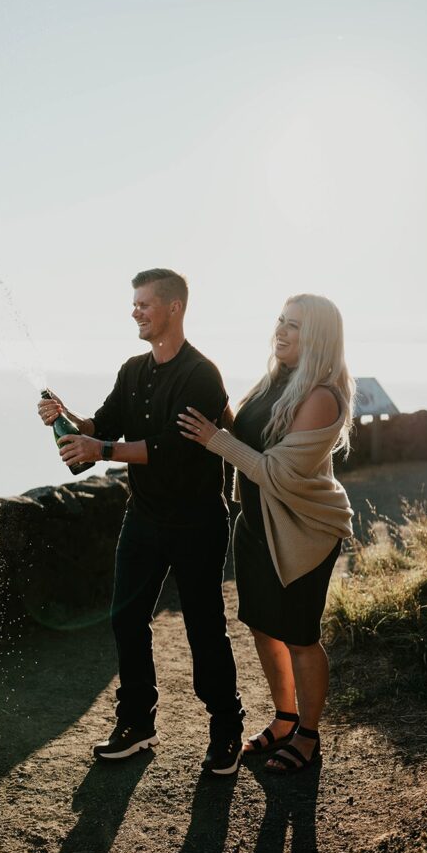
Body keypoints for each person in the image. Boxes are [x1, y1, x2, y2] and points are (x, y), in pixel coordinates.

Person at [38, 269, 245, 775]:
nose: (135, 311)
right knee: (125, 618)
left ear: (173, 307)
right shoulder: (132, 369)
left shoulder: (202, 374)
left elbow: (174, 449)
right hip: (145, 518)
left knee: (204, 629)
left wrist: (101, 450)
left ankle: (226, 728)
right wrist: (69, 418)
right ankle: (136, 723)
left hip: (198, 521)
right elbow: (102, 424)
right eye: (133, 304)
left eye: (144, 303)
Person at [177, 293, 354, 775]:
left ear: (316, 337)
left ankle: (309, 736)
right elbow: (246, 437)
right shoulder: (274, 382)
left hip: (305, 532)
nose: (281, 330)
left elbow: (276, 472)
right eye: (280, 320)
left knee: (299, 635)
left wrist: (213, 439)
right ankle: (284, 718)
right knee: (262, 625)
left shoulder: (321, 396)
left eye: (294, 325)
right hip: (256, 525)